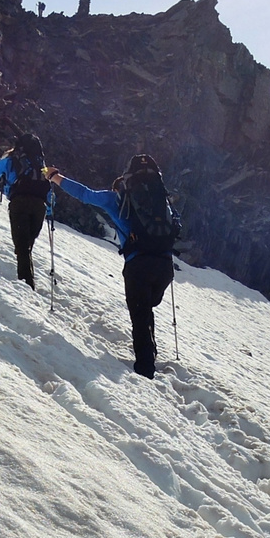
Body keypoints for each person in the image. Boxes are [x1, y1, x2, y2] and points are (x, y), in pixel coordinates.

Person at [46, 153, 183, 378]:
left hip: (138, 264)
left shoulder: (116, 199)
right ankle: (150, 353)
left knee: (139, 314)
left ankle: (145, 371)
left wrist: (54, 176)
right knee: (147, 306)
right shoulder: (161, 200)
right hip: (165, 265)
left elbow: (85, 194)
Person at [0, 133, 53, 289]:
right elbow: (50, 194)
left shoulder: (11, 161)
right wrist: (50, 212)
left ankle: (26, 285)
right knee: (26, 246)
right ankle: (27, 281)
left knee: (22, 247)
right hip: (40, 207)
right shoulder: (41, 167)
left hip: (19, 203)